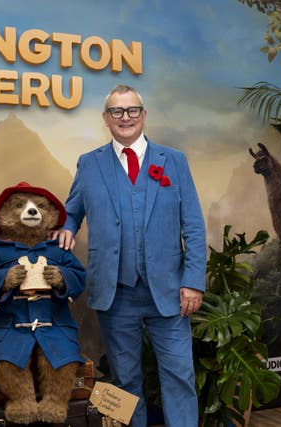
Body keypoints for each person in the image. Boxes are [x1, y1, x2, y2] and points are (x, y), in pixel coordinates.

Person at [54, 85, 206, 427]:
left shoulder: (174, 162)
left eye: (132, 110)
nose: (125, 118)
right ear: (106, 119)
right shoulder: (89, 164)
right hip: (115, 293)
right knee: (125, 383)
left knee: (180, 378)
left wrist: (193, 282)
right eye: (117, 112)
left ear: (144, 115)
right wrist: (66, 227)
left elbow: (193, 226)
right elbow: (73, 209)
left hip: (169, 292)